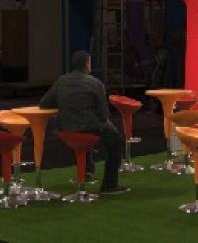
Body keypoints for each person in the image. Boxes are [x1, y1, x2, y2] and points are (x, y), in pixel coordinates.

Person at [39, 50, 130, 195]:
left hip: (65, 131)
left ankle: (87, 172)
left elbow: (44, 103)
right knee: (116, 140)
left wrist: (67, 103)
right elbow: (104, 116)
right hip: (88, 129)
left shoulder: (61, 81)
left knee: (86, 131)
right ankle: (110, 185)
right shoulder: (95, 83)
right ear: (87, 64)